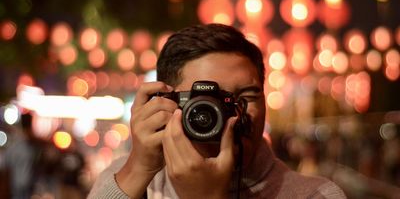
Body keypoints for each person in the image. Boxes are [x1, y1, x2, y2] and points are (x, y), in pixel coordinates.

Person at [88, 24, 346, 198]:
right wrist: (137, 170)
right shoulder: (125, 179)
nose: (229, 114)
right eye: (207, 100)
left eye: (246, 97)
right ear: (165, 102)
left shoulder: (316, 195)